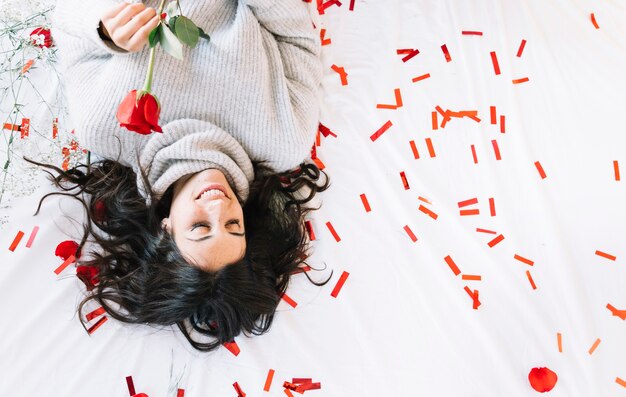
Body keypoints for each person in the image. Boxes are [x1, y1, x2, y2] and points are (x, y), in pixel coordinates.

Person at [44, 0, 330, 351]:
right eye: (233, 225)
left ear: (166, 228)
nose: (218, 206)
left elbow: (65, 18)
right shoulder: (285, 140)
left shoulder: (104, 129)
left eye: (200, 227)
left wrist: (105, 29)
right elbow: (297, 38)